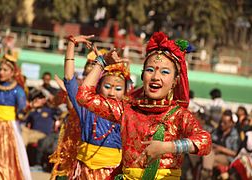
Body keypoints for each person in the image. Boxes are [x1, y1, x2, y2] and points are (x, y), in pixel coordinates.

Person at [76, 31, 212, 179]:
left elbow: (205, 141)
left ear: (175, 81)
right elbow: (84, 97)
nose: (155, 77)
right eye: (150, 70)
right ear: (142, 75)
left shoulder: (179, 115)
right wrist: (102, 63)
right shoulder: (126, 109)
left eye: (165, 72)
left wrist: (167, 147)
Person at [61, 34, 131, 179]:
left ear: (126, 91)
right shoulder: (86, 107)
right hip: (83, 171)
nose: (111, 93)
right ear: (98, 87)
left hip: (111, 173)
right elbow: (69, 79)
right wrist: (71, 44)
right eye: (107, 86)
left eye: (118, 89)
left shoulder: (127, 111)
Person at [0, 54, 32, 180]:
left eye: (5, 70)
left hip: (7, 129)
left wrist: (30, 107)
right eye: (0, 69)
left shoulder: (18, 91)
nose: (1, 72)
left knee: (1, 160)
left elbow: (21, 115)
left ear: (12, 73)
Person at [201, 110, 240, 179]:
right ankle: (207, 172)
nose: (222, 124)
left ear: (231, 123)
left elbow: (235, 153)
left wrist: (221, 149)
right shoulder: (217, 130)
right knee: (208, 155)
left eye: (225, 123)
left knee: (207, 157)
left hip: (226, 157)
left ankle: (206, 173)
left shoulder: (235, 136)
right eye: (221, 121)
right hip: (214, 154)